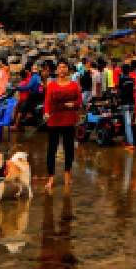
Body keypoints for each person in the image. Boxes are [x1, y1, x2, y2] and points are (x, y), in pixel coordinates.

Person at [44, 61, 82, 191]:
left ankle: (67, 173)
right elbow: (47, 101)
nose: (62, 69)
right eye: (59, 67)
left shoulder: (74, 85)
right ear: (57, 70)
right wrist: (46, 113)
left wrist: (74, 104)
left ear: (68, 69)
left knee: (69, 149)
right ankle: (51, 177)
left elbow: (79, 100)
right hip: (54, 120)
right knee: (51, 150)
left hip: (69, 120)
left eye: (64, 67)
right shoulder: (51, 85)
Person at [117, 61, 136, 151]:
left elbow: (119, 92)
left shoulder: (121, 79)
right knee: (128, 122)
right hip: (131, 103)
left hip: (125, 104)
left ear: (122, 70)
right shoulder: (131, 79)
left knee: (127, 124)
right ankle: (126, 140)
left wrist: (118, 98)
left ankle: (130, 143)